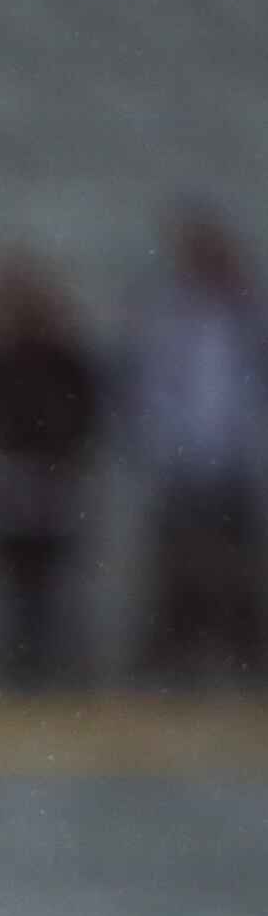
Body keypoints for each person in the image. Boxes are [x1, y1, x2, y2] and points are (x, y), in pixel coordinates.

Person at [128, 211, 268, 687]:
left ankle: (243, 652)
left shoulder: (248, 312)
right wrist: (161, 445)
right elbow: (152, 385)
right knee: (178, 564)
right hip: (181, 456)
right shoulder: (167, 313)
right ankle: (179, 653)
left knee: (239, 562)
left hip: (235, 455)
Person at [0, 252, 102, 690]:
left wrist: (62, 458)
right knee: (7, 579)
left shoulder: (65, 361)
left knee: (52, 580)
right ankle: (12, 660)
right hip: (6, 482)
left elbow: (83, 418)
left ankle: (49, 662)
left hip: (52, 482)